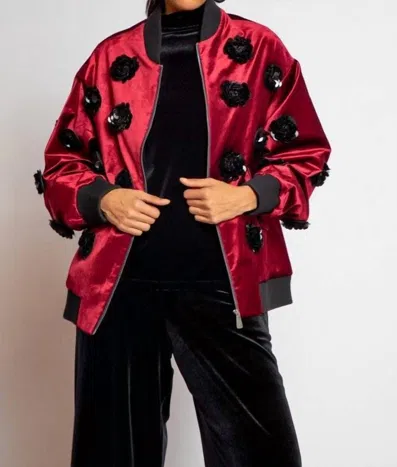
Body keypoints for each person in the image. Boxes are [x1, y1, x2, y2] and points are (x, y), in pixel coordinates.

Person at [35, 0, 331, 465]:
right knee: (110, 455)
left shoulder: (258, 48)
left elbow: (305, 153)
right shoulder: (110, 56)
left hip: (221, 284)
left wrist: (246, 196)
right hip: (118, 288)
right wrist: (104, 199)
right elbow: (61, 166)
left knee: (261, 452)